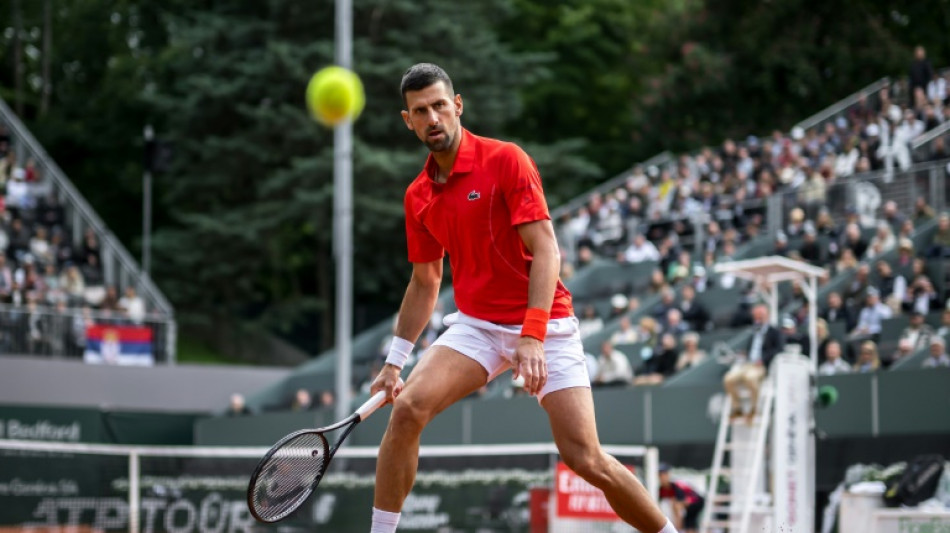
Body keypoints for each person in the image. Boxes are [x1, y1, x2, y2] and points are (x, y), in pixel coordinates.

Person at [368, 64, 674, 533]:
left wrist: (531, 336)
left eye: (439, 106)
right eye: (420, 111)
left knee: (585, 458)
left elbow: (548, 250)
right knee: (408, 410)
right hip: (477, 327)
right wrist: (394, 362)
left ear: (458, 106)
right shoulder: (418, 196)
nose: (432, 118)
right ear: (407, 120)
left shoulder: (507, 159)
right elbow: (426, 281)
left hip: (545, 323)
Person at [723, 304, 784, 420]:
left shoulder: (774, 332)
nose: (758, 318)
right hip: (748, 364)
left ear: (767, 316)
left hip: (761, 366)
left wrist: (764, 359)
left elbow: (779, 349)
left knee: (749, 378)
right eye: (756, 316)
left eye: (760, 316)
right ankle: (737, 408)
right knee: (728, 379)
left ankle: (755, 408)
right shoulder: (754, 332)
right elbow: (751, 350)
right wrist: (744, 355)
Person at [658, 463, 705, 533]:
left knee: (688, 521)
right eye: (660, 475)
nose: (662, 477)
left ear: (668, 475)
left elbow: (678, 506)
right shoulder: (662, 489)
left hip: (696, 501)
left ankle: (679, 529)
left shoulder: (676, 486)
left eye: (663, 474)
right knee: (687, 521)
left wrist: (677, 526)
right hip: (688, 503)